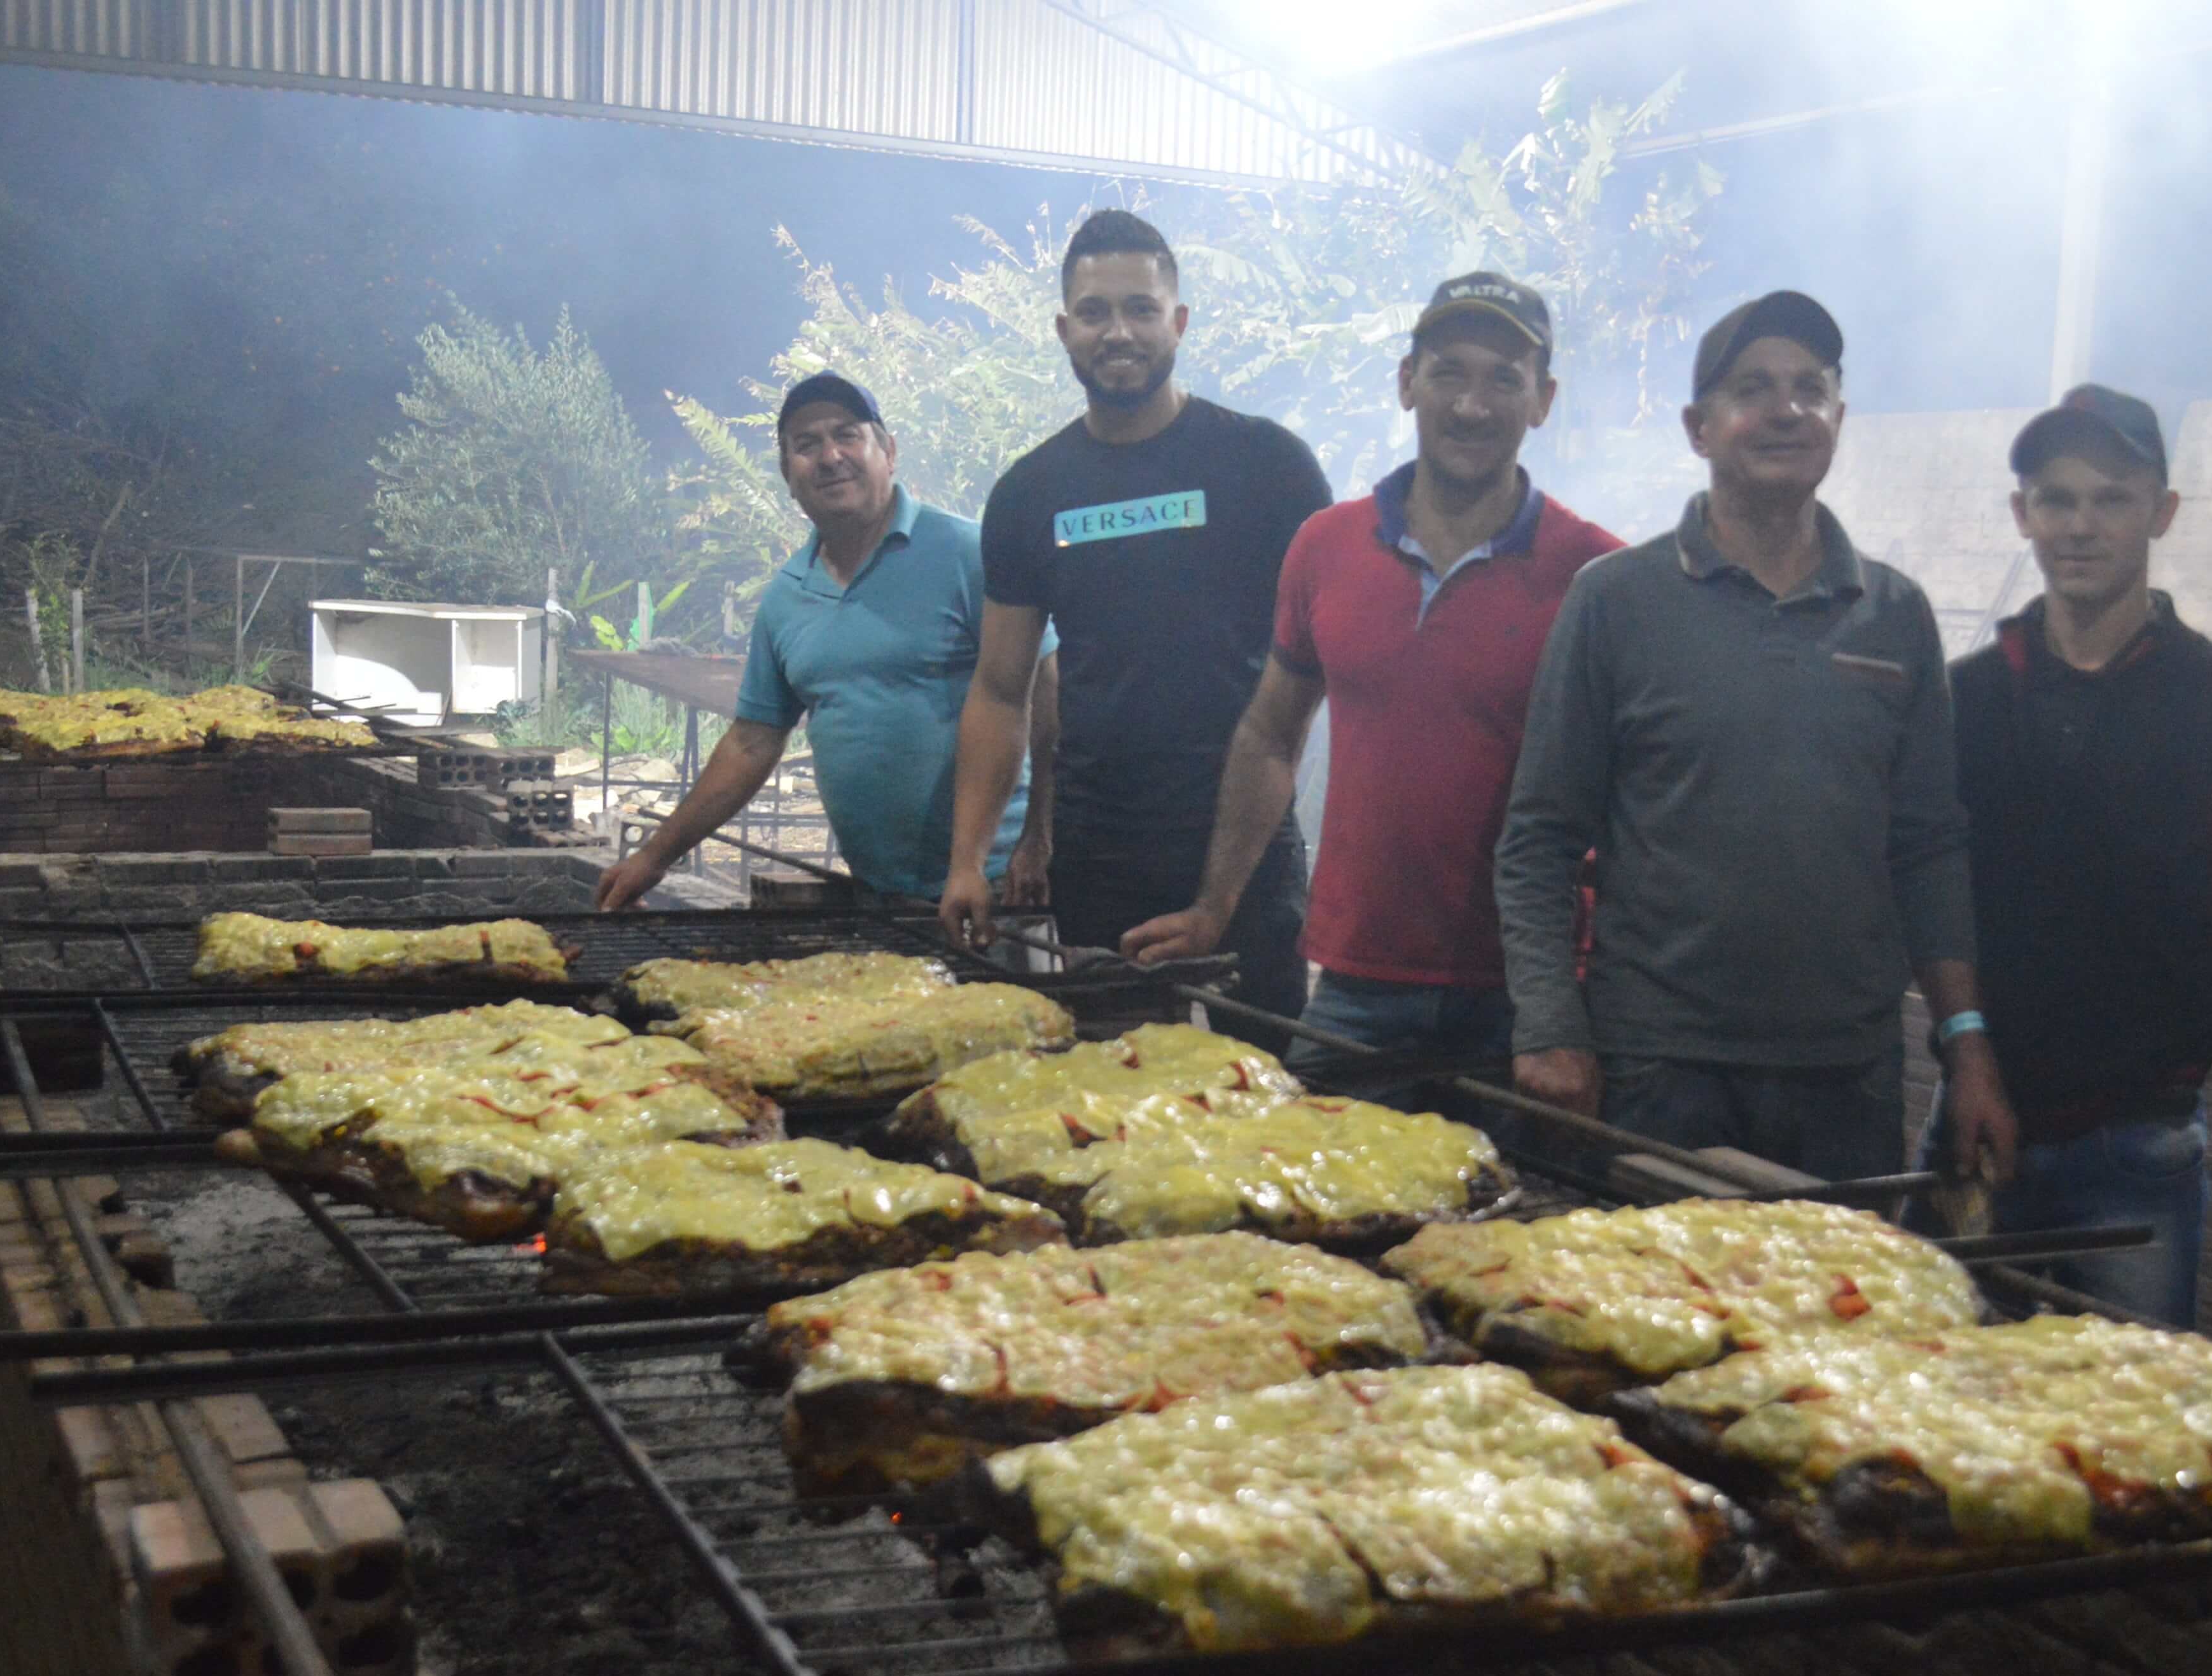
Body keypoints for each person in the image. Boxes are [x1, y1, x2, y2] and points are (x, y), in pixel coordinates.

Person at [1494, 291, 2019, 1184]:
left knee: (1836, 1319)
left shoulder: (1895, 615)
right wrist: (1550, 1026)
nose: (1786, 411)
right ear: (1699, 427)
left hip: (1846, 1079)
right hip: (1655, 1068)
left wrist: (1968, 1050)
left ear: (1839, 419)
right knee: (1653, 1321)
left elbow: (1929, 847)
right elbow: (1539, 839)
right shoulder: (1617, 600)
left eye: (1810, 390)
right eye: (1753, 389)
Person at [1119, 272, 1621, 1083]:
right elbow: (1271, 734)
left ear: (1543, 398)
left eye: (1504, 378)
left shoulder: (1599, 575)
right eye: (1449, 371)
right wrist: (1214, 908)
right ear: (1406, 382)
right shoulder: (1327, 547)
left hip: (1530, 1005)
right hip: (1356, 986)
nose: (1471, 404)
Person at [1943, 384, 2212, 1324]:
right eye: (2056, 499)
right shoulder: (1966, 701)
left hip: (2141, 1144)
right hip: (1979, 1119)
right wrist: (1967, 1061)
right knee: (1928, 1405)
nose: (2080, 525)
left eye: (2111, 498)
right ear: (2021, 514)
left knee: (2127, 1432)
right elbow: (1924, 884)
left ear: (2161, 512)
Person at [936, 209, 1332, 1023]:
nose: (1119, 331)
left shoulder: (1269, 466)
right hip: (1099, 847)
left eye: (1141, 309)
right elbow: (1002, 689)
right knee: (1116, 1103)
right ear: (1063, 329)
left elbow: (1324, 670)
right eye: (1095, 312)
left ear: (1178, 322)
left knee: (1268, 1099)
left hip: (1244, 842)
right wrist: (969, 857)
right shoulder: (1030, 493)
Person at [595, 373, 1052, 910]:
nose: (830, 456)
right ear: (788, 475)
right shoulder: (786, 597)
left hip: (997, 888)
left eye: (847, 435)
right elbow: (751, 742)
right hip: (881, 894)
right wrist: (653, 859)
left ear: (889, 451)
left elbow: (1046, 695)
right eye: (806, 446)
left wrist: (1039, 840)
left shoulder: (968, 554)